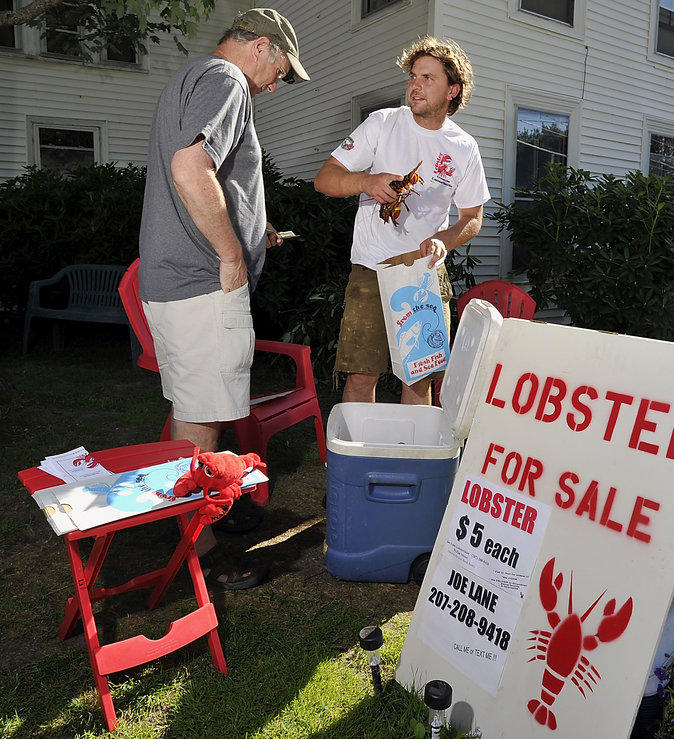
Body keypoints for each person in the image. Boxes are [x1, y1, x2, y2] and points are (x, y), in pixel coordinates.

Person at [138, 8, 309, 589]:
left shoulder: (192, 76)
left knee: (192, 404)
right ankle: (201, 553)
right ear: (261, 46)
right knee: (205, 419)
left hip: (176, 279)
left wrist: (254, 230)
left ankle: (190, 510)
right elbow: (191, 170)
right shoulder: (230, 81)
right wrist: (231, 254)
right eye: (282, 70)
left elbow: (200, 176)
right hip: (200, 282)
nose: (277, 83)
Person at [314, 36, 489, 405]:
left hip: (423, 274)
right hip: (371, 269)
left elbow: (472, 218)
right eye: (413, 76)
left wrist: (445, 239)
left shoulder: (463, 147)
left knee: (419, 379)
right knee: (362, 375)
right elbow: (324, 179)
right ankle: (359, 459)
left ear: (452, 90)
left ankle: (412, 459)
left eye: (428, 78)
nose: (415, 85)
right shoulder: (381, 124)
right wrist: (366, 181)